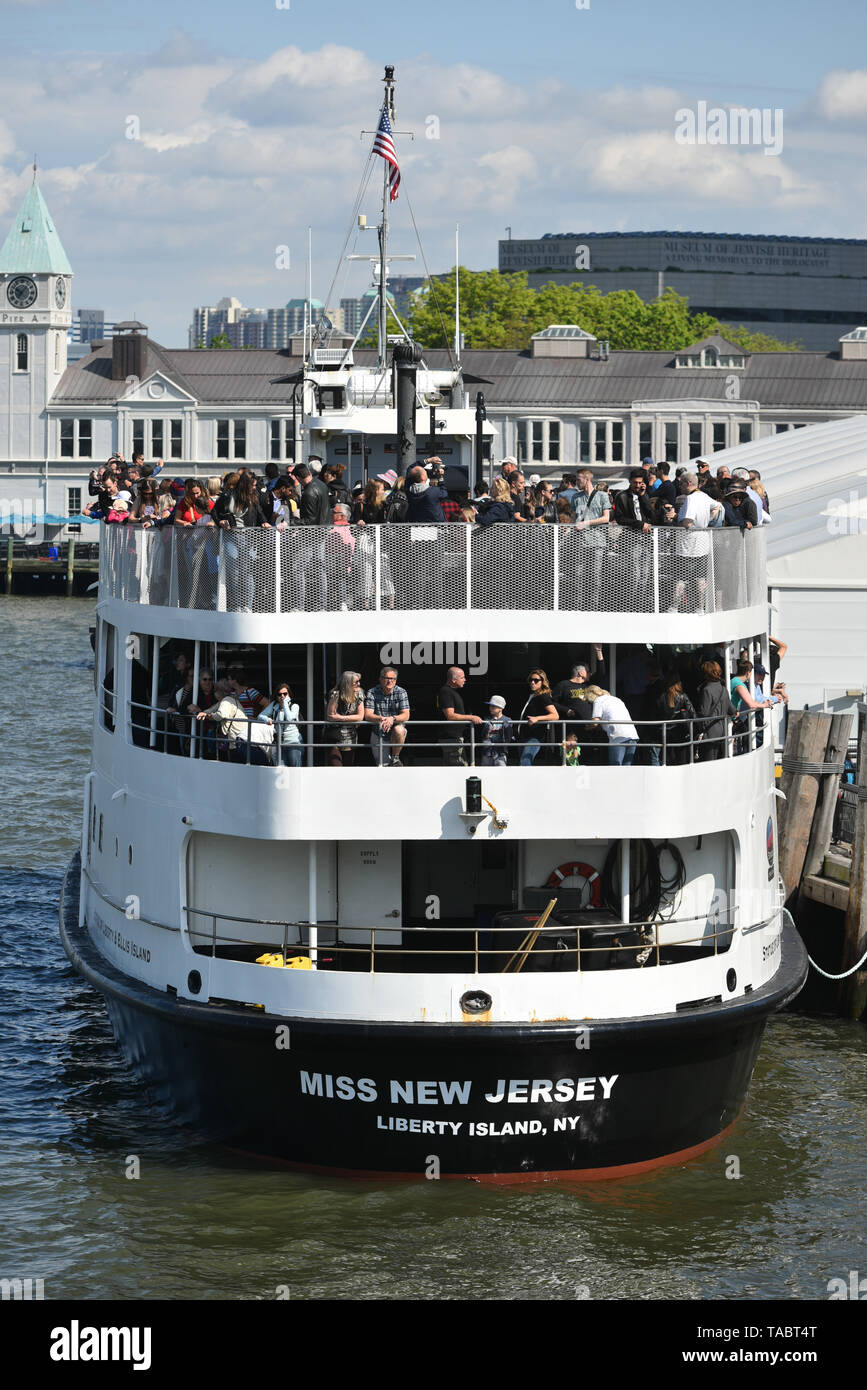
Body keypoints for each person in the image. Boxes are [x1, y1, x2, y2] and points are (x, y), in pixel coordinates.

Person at [669, 472, 722, 613]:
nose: (679, 487)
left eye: (681, 484)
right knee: (701, 578)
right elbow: (717, 506)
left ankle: (674, 607)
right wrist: (707, 520)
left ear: (688, 483)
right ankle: (700, 608)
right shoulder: (704, 496)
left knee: (681, 578)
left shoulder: (691, 498)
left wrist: (674, 519)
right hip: (703, 542)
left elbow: (687, 522)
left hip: (688, 544)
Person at [567, 470, 611, 609]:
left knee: (595, 576)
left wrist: (587, 523)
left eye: (579, 479)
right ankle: (578, 606)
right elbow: (574, 518)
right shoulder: (576, 497)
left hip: (597, 541)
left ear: (587, 479)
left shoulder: (602, 496)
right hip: (580, 542)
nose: (576, 482)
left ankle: (594, 606)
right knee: (578, 576)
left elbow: (606, 518)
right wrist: (568, 529)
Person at [579, 685, 639, 766]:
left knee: (615, 767)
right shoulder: (616, 699)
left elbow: (595, 723)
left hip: (618, 737)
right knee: (627, 768)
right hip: (632, 735)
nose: (590, 703)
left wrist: (586, 728)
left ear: (591, 696)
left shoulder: (598, 700)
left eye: (589, 702)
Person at [437, 667, 483, 766]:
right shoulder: (446, 692)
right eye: (462, 678)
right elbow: (450, 716)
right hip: (451, 738)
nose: (465, 680)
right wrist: (471, 717)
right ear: (453, 680)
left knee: (461, 766)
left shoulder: (453, 692)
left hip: (456, 737)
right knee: (458, 767)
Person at [365, 667, 410, 766]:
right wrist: (383, 719)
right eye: (387, 678)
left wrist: (392, 719)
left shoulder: (401, 692)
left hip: (396, 732)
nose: (390, 681)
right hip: (378, 731)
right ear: (380, 679)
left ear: (396, 680)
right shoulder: (372, 692)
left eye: (392, 679)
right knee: (382, 765)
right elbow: (368, 715)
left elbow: (406, 715)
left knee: (399, 729)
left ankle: (395, 758)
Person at [696, 659, 736, 760]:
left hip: (710, 731)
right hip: (723, 731)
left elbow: (703, 713)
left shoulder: (706, 690)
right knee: (720, 759)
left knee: (709, 761)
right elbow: (731, 709)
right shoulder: (723, 689)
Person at [655, 672, 697, 766]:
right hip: (680, 732)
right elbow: (693, 714)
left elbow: (656, 714)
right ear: (678, 683)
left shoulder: (661, 697)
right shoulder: (683, 696)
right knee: (681, 760)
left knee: (666, 760)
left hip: (664, 733)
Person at [258, 681, 303, 768]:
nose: (282, 696)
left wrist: (285, 703)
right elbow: (260, 716)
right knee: (280, 770)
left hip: (293, 742)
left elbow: (289, 718)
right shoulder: (274, 705)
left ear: (289, 695)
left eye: (285, 694)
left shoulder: (294, 706)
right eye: (279, 694)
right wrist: (267, 719)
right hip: (278, 743)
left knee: (295, 770)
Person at [518, 670, 559, 766]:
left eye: (536, 680)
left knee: (525, 761)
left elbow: (555, 715)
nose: (532, 682)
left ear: (542, 682)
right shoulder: (533, 696)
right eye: (531, 680)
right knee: (522, 762)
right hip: (524, 736)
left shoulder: (543, 697)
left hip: (534, 737)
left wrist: (537, 718)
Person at [325, 671, 365, 767]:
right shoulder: (336, 695)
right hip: (334, 737)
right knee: (336, 767)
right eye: (356, 682)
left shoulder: (359, 694)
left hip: (350, 737)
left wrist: (341, 718)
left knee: (348, 768)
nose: (358, 684)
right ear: (348, 683)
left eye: (359, 681)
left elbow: (360, 717)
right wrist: (352, 718)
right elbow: (330, 717)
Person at [480, 695, 513, 767]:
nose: (490, 708)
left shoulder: (507, 720)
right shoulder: (486, 719)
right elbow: (483, 735)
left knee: (501, 775)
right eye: (490, 706)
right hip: (487, 753)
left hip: (500, 753)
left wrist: (505, 727)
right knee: (485, 774)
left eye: (493, 706)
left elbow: (508, 737)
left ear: (500, 708)